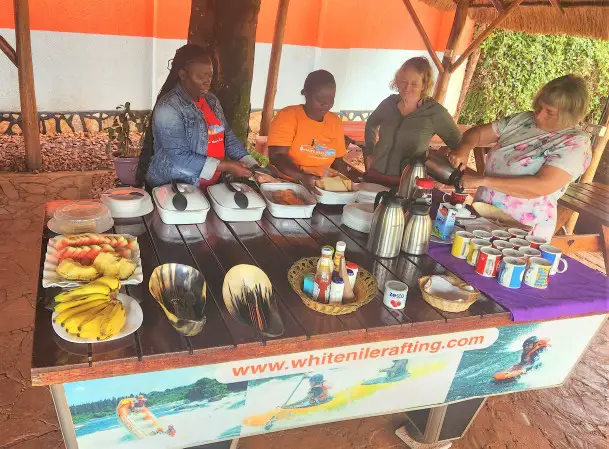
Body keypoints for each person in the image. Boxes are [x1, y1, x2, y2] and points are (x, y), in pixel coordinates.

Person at [448, 74, 592, 241]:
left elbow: (541, 186)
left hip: (523, 232)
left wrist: (483, 180)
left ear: (570, 115)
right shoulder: (523, 121)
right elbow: (478, 133)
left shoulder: (575, 143)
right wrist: (464, 148)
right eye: (540, 107)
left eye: (549, 112)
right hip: (483, 214)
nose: (539, 115)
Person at [138, 44, 257, 188]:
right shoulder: (168, 108)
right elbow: (180, 158)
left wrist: (252, 164)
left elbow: (227, 137)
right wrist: (227, 166)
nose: (208, 82)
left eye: (210, 76)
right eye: (201, 77)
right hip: (176, 188)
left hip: (209, 186)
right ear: (183, 75)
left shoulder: (211, 101)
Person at [364, 57, 461, 186]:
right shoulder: (389, 103)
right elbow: (371, 123)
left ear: (424, 85)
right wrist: (369, 152)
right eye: (403, 81)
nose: (407, 88)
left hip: (408, 185)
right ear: (397, 80)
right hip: (375, 176)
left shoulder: (434, 112)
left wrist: (439, 171)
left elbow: (459, 144)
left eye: (414, 84)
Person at [268, 70, 347, 192]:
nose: (325, 104)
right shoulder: (288, 116)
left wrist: (339, 183)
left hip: (323, 187)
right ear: (305, 93)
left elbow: (338, 160)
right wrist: (301, 177)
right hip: (288, 185)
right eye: (319, 98)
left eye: (330, 98)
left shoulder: (334, 122)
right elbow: (277, 155)